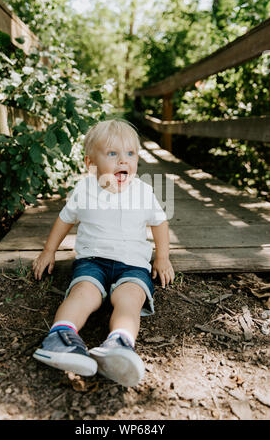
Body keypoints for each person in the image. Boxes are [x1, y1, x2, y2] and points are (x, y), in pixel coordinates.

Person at [32, 119, 175, 387]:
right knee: (83, 293)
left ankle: (119, 343)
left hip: (133, 265)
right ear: (90, 163)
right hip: (92, 261)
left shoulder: (143, 191)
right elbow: (65, 219)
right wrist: (48, 251)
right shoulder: (83, 190)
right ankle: (60, 336)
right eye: (113, 154)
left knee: (130, 298)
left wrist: (162, 257)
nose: (124, 161)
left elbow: (159, 222)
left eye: (130, 154)